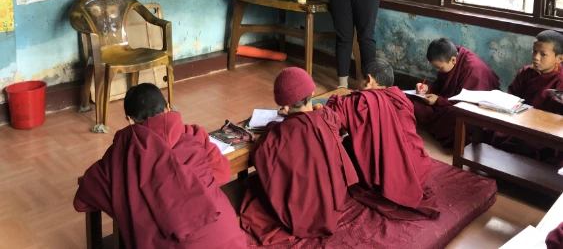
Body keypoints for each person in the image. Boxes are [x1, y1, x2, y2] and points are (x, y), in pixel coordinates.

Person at [74, 83, 246, 249]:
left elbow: (82, 201)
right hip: (225, 237)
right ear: (168, 106)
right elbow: (223, 173)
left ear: (129, 120)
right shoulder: (194, 134)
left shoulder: (121, 153)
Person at [239, 67, 358, 245]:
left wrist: (275, 125)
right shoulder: (327, 117)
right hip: (332, 203)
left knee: (254, 188)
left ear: (285, 106)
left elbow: (260, 155)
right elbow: (333, 119)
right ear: (312, 92)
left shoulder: (281, 133)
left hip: (301, 213)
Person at [325, 59, 438, 220]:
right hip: (419, 170)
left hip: (388, 181)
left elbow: (330, 119)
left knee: (345, 146)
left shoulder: (359, 101)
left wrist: (336, 99)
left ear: (369, 80)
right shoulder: (401, 98)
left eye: (359, 78)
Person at [491, 30, 563, 163]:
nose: (536, 57)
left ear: (559, 58)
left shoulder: (560, 81)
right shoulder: (526, 72)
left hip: (546, 132)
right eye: (534, 51)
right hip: (520, 123)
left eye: (543, 54)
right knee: (493, 133)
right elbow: (512, 98)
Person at [413, 38, 500, 147]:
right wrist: (427, 87)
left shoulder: (473, 70)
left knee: (455, 117)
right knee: (414, 101)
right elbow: (441, 84)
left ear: (453, 60)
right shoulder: (451, 55)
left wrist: (438, 100)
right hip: (448, 100)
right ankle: (435, 126)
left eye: (439, 68)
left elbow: (468, 102)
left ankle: (438, 128)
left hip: (473, 107)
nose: (437, 71)